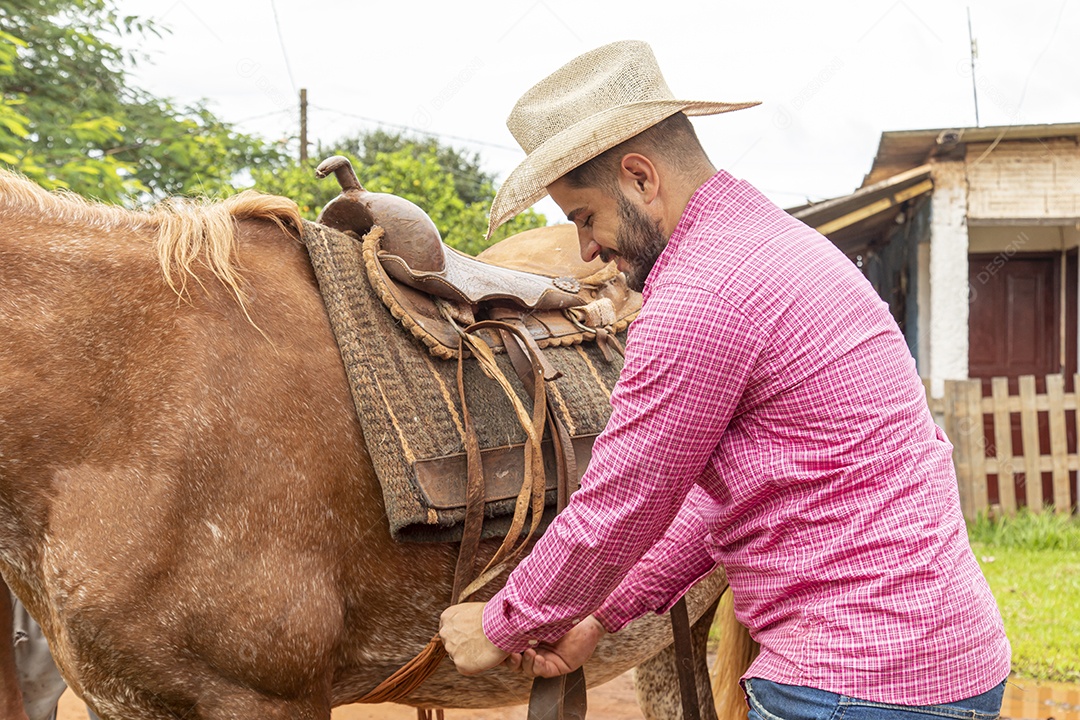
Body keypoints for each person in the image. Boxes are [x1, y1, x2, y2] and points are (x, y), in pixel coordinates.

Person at [438, 40, 1010, 719]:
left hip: (847, 686)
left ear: (641, 178)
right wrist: (601, 614)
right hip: (957, 668)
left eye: (583, 217)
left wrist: (504, 622)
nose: (587, 249)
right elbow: (716, 504)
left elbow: (623, 502)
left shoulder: (696, 299)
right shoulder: (786, 247)